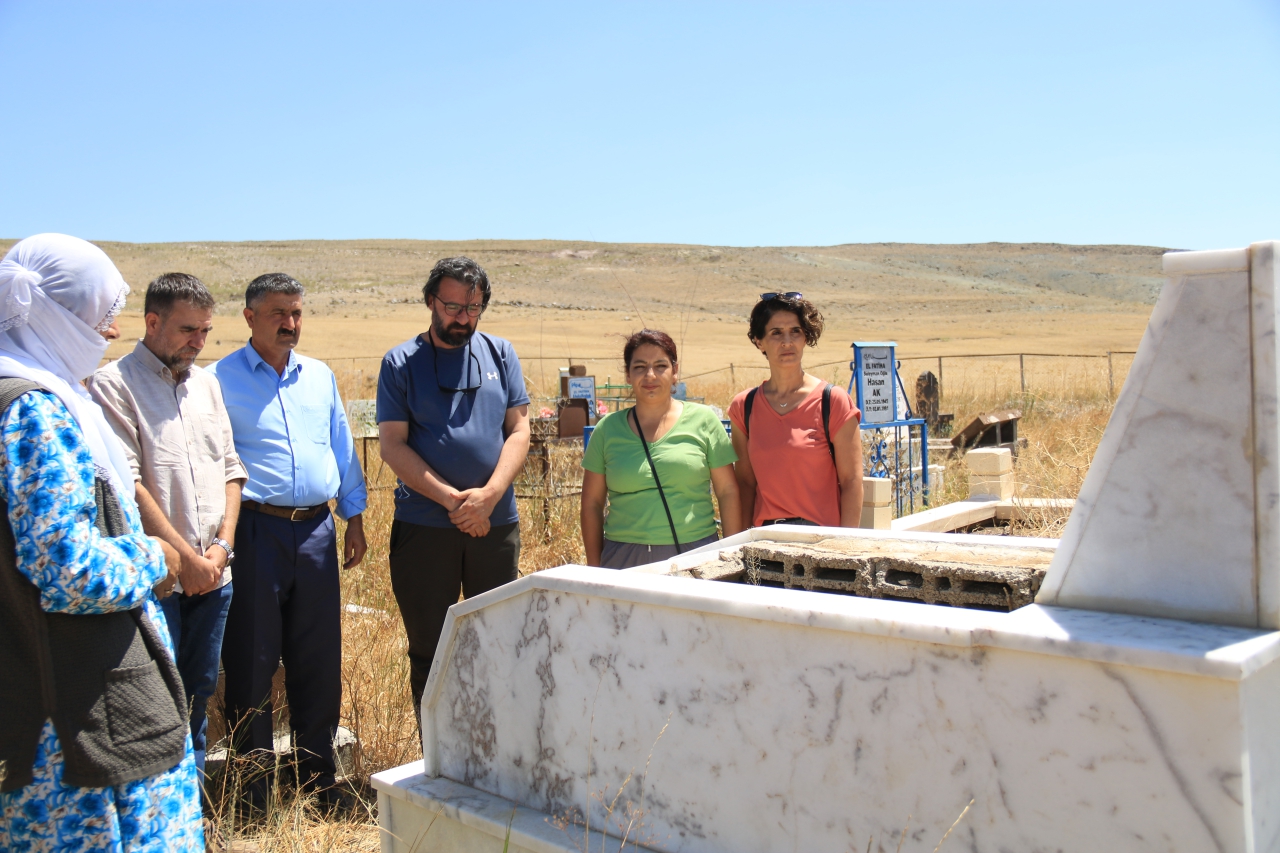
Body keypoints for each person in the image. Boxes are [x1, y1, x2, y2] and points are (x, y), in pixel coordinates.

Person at [0, 234, 203, 851]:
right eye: (99, 320)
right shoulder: (34, 409)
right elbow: (67, 569)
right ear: (55, 320)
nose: (110, 336)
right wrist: (155, 557)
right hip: (79, 712)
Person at [207, 273, 367, 811]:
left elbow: (341, 444)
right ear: (249, 317)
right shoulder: (218, 381)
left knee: (317, 658)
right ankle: (252, 798)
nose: (290, 324)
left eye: (297, 313)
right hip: (254, 530)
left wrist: (355, 516)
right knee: (251, 659)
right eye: (278, 313)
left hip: (317, 530)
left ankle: (316, 787)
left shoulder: (318, 377)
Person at [87, 272, 247, 799]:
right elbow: (128, 483)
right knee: (155, 702)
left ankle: (190, 815)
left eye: (204, 331)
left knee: (199, 696)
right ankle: (158, 813)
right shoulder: (113, 385)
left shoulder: (207, 383)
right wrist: (186, 559)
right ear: (151, 322)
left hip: (215, 575)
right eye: (186, 330)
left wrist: (221, 549)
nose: (197, 342)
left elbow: (230, 468)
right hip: (161, 581)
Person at [377, 256, 530, 729]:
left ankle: (497, 750)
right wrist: (453, 500)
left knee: (499, 639)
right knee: (431, 645)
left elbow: (519, 429)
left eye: (474, 307)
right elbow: (392, 445)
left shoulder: (500, 353)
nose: (463, 317)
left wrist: (489, 495)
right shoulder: (400, 363)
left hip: (494, 522)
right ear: (430, 302)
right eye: (453, 306)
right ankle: (438, 757)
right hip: (426, 528)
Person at [581, 329, 743, 568]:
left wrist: (731, 559)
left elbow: (728, 491)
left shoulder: (704, 421)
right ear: (627, 374)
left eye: (660, 366)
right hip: (623, 559)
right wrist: (595, 569)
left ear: (674, 371)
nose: (650, 375)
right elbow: (591, 504)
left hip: (695, 555)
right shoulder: (607, 430)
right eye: (639, 367)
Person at [729, 292, 864, 529]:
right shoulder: (744, 407)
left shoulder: (832, 401)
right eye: (776, 333)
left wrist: (845, 549)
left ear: (806, 338)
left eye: (795, 331)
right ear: (759, 342)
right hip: (766, 541)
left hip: (821, 540)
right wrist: (738, 547)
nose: (787, 342)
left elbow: (851, 481)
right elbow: (746, 485)